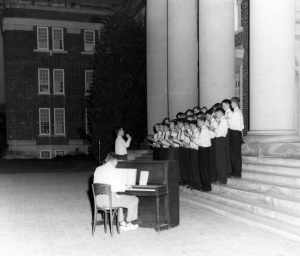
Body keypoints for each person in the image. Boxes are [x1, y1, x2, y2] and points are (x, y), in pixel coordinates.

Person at [93, 153, 139, 231]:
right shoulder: (114, 171)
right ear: (114, 161)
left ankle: (122, 223)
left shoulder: (98, 169)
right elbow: (119, 188)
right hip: (109, 201)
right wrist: (126, 186)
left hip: (98, 200)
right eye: (117, 161)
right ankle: (129, 223)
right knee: (134, 199)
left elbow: (100, 184)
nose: (117, 163)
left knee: (118, 198)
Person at [214, 107, 230, 184]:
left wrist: (213, 129)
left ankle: (223, 179)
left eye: (217, 114)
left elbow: (220, 132)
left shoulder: (223, 121)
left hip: (221, 140)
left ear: (220, 113)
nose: (216, 115)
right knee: (218, 160)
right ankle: (220, 178)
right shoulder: (221, 120)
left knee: (221, 160)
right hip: (218, 140)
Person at [229, 97, 244, 178]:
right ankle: (235, 172)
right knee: (234, 154)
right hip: (236, 134)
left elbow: (234, 125)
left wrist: (228, 121)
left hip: (235, 133)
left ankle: (237, 173)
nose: (231, 104)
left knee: (235, 154)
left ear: (234, 103)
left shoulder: (236, 112)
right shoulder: (236, 112)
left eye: (231, 103)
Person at [196, 116, 212, 191]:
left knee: (204, 169)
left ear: (202, 122)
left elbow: (200, 142)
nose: (197, 123)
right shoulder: (203, 129)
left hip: (204, 150)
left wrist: (193, 139)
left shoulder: (204, 130)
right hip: (203, 150)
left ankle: (207, 186)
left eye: (198, 122)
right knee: (203, 169)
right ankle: (205, 185)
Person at [206, 108, 218, 183]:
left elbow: (215, 132)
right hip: (210, 141)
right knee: (210, 160)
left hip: (213, 141)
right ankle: (212, 176)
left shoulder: (214, 123)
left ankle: (214, 177)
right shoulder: (210, 122)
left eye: (207, 116)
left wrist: (208, 126)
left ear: (211, 115)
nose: (206, 118)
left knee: (213, 160)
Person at [189, 121, 202, 190]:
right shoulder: (194, 132)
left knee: (195, 168)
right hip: (192, 150)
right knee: (192, 168)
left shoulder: (197, 132)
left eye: (190, 126)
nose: (190, 128)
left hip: (195, 151)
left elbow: (198, 143)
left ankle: (198, 184)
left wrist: (192, 139)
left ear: (194, 126)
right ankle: (194, 183)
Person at [222, 99, 233, 176]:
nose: (222, 107)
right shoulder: (226, 113)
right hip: (225, 132)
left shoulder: (230, 113)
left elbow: (231, 124)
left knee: (228, 152)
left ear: (227, 105)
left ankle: (229, 170)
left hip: (228, 132)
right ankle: (227, 170)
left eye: (223, 105)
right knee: (225, 152)